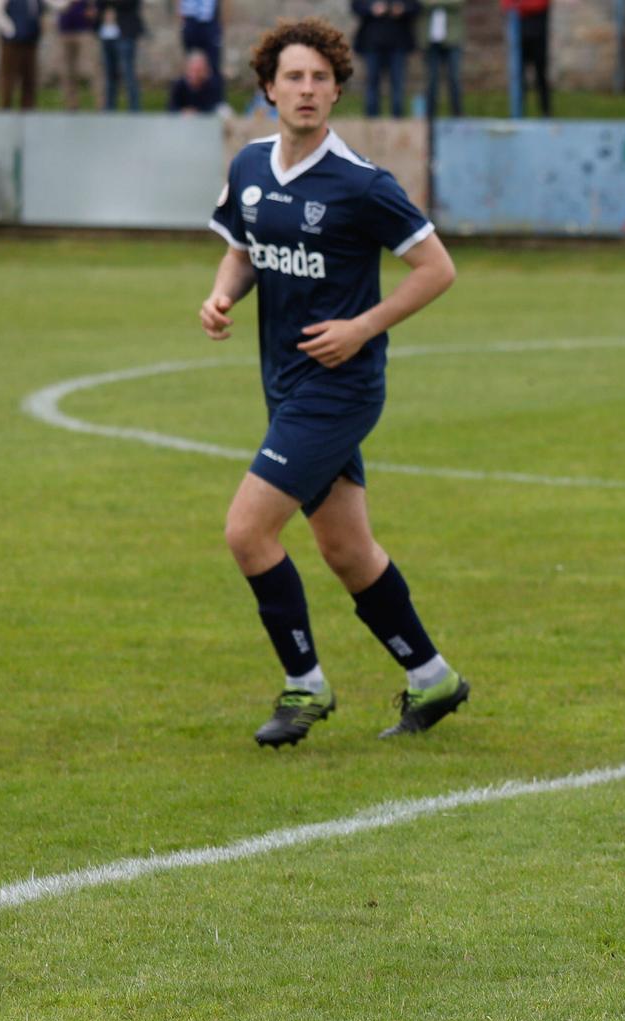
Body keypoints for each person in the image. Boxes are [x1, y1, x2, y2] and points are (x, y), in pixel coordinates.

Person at [201, 17, 469, 746]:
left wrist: (363, 326)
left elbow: (436, 269)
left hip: (341, 388)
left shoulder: (360, 184)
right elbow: (241, 250)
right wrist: (223, 293)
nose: (308, 90)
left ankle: (306, 687)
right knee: (347, 550)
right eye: (294, 77)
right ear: (268, 88)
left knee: (247, 531)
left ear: (337, 91)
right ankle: (433, 677)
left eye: (321, 78)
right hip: (285, 383)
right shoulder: (251, 168)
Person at [352, 0, 418, 118]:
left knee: (398, 82)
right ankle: (371, 120)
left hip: (398, 43)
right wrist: (371, 8)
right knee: (372, 82)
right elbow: (355, 6)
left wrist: (403, 9)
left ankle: (398, 120)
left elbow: (416, 7)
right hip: (372, 42)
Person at [0, 0, 55, 111]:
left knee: (29, 77)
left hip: (30, 41)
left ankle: (28, 110)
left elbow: (56, 4)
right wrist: (10, 30)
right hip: (11, 43)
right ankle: (5, 109)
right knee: (8, 77)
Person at [500, 0, 551, 118]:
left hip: (538, 35)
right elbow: (506, 5)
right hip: (519, 37)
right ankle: (518, 112)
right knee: (518, 77)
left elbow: (540, 4)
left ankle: (546, 112)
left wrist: (521, 5)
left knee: (541, 75)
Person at [94, 0, 144, 113]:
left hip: (125, 32)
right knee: (109, 75)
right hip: (107, 34)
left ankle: (135, 110)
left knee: (128, 73)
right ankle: (110, 110)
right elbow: (99, 5)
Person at [422, 0, 465, 118]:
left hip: (452, 38)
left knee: (454, 78)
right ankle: (429, 116)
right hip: (430, 39)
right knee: (432, 79)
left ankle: (457, 115)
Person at [56, 0, 96, 111]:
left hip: (84, 30)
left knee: (93, 69)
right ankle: (71, 105)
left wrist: (93, 9)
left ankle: (101, 106)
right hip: (65, 31)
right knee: (67, 71)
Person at [179, 0, 227, 86]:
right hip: (190, 19)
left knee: (213, 65)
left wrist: (221, 24)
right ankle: (190, 96)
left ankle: (215, 97)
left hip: (209, 20)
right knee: (191, 66)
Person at [170, 48, 227, 115]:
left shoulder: (214, 86)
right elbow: (171, 108)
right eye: (193, 70)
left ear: (206, 70)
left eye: (199, 70)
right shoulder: (179, 85)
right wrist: (183, 112)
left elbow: (219, 107)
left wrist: (197, 112)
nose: (195, 74)